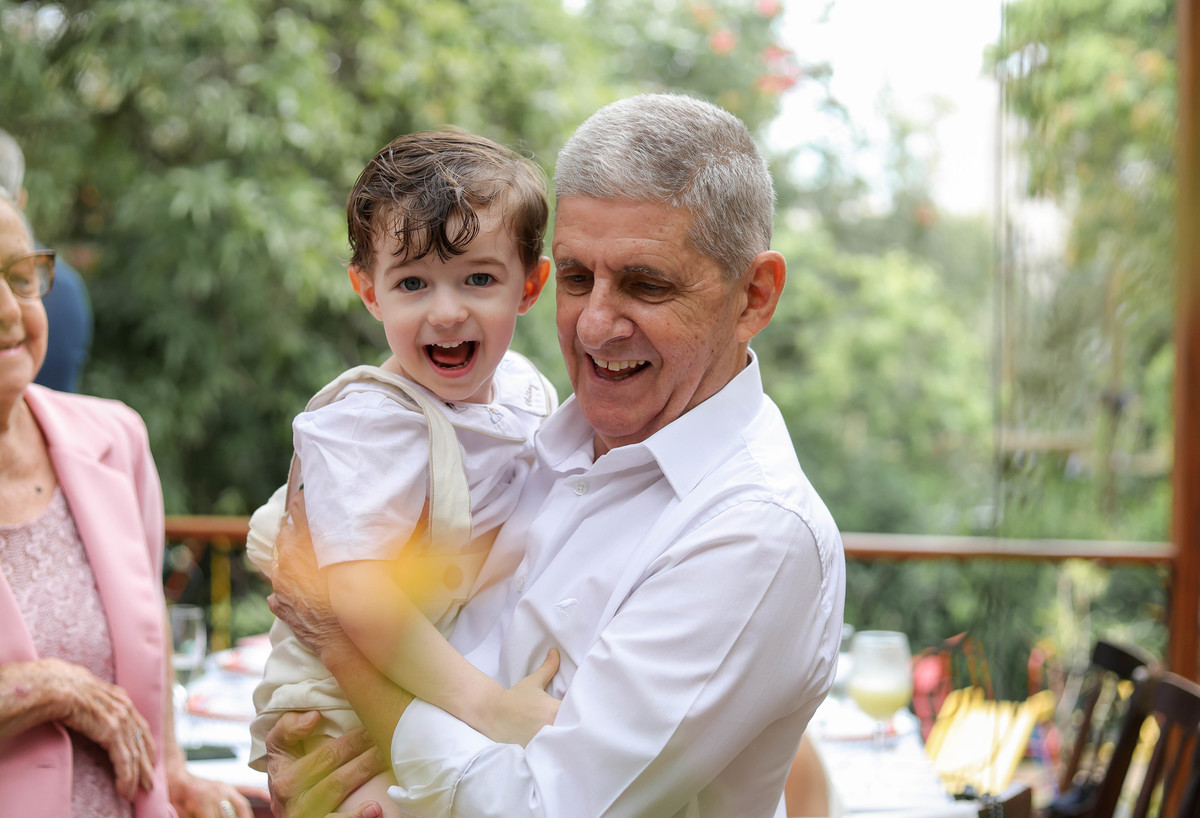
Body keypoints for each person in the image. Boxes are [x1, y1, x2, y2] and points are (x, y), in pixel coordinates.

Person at [265, 93, 847, 818]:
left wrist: (347, 659)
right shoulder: (529, 432)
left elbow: (540, 808)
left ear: (754, 296)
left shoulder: (754, 532)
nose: (596, 325)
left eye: (646, 283)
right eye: (578, 278)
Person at [246, 129, 560, 816]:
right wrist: (490, 708)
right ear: (369, 292)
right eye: (413, 283)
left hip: (438, 682)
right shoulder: (369, 425)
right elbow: (358, 597)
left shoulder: (528, 394)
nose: (446, 312)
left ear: (530, 284)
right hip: (341, 705)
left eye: (478, 277)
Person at [0, 192, 251, 817]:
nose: (8, 311)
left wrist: (175, 776)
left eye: (20, 278)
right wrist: (45, 688)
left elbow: (148, 634)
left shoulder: (115, 439)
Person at [0, 128, 93, 393]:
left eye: (22, 281)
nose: (9, 311)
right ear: (22, 199)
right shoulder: (67, 287)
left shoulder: (59, 285)